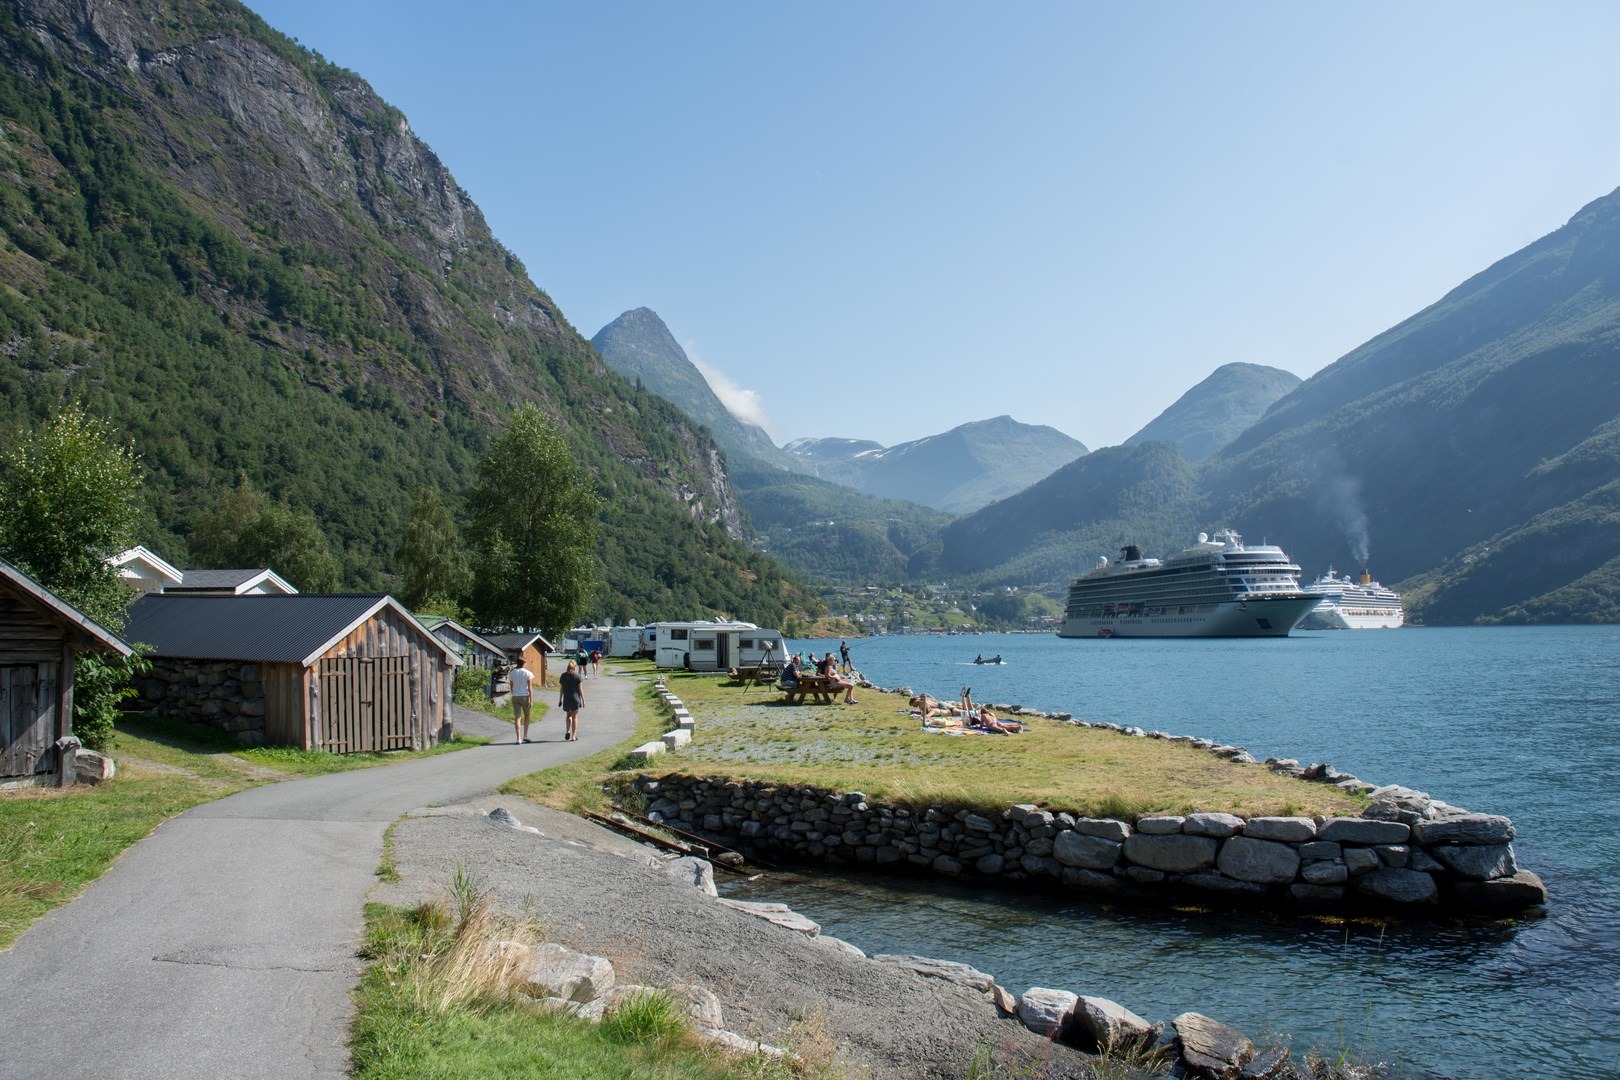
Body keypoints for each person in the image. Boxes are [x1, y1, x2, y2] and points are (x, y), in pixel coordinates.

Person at [508, 658, 534, 744]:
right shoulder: (527, 673)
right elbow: (530, 688)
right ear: (524, 663)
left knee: (517, 717)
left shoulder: (512, 673)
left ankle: (518, 738)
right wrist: (531, 699)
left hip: (515, 696)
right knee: (527, 716)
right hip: (524, 696)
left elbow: (511, 686)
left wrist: (514, 692)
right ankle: (525, 735)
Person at [558, 660, 585, 741]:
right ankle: (573, 736)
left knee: (568, 716)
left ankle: (568, 731)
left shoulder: (563, 676)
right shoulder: (577, 676)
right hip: (575, 698)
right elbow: (580, 689)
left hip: (566, 698)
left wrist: (560, 699)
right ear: (574, 667)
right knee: (575, 717)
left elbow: (561, 689)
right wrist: (583, 700)